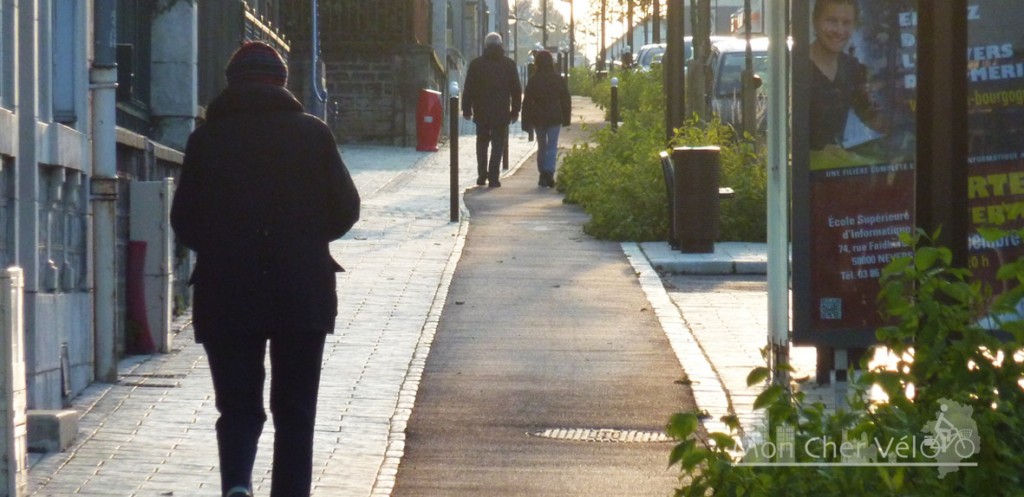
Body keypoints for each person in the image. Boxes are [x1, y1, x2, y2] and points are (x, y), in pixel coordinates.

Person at [170, 41, 360, 497]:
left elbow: (184, 219)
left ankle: (237, 483)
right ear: (282, 83)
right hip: (301, 289)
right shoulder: (313, 134)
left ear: (231, 84)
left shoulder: (206, 139)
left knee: (237, 405)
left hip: (225, 290)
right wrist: (307, 240)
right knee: (296, 410)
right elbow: (346, 208)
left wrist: (221, 247)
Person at [808, 0, 887, 152]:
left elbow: (871, 116)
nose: (839, 30)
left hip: (838, 163)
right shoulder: (797, 66)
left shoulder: (851, 67)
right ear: (815, 21)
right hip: (802, 165)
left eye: (846, 23)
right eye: (831, 21)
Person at [462, 32, 522, 187]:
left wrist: (466, 109)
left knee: (482, 143)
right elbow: (516, 90)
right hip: (501, 111)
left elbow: (468, 89)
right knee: (498, 144)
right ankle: (494, 177)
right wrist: (515, 111)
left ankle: (482, 174)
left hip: (481, 110)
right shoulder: (508, 64)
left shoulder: (476, 65)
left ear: (485, 46)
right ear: (501, 45)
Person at [521, 50, 571, 187]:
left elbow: (527, 102)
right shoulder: (558, 79)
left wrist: (525, 121)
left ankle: (543, 172)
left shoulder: (533, 80)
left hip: (538, 117)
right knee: (552, 145)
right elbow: (565, 99)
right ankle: (549, 171)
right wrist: (566, 117)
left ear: (537, 63)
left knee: (541, 145)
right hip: (554, 116)